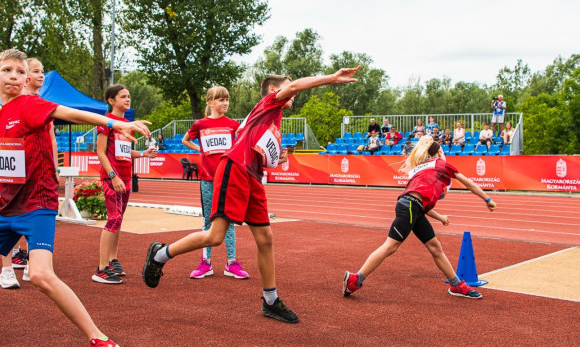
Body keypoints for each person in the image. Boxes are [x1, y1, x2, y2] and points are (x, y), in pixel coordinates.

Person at [0, 49, 150, 347]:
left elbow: (73, 114)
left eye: (20, 72)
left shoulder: (31, 105)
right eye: (6, 70)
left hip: (38, 205)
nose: (14, 75)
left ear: (25, 80)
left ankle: (100, 340)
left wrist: (117, 123)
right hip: (6, 209)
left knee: (39, 274)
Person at [142, 66, 360, 324]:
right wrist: (331, 79)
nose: (294, 94)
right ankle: (159, 255)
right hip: (234, 168)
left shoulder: (274, 121)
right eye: (289, 88)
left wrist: (276, 158)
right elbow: (291, 88)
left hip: (253, 177)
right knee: (214, 236)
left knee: (265, 238)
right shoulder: (269, 103)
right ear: (273, 90)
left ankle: (270, 300)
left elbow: (267, 159)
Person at [343, 136, 497, 299]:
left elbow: (419, 203)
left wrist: (440, 217)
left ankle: (456, 284)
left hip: (411, 207)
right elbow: (469, 183)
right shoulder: (441, 164)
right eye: (443, 151)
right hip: (410, 207)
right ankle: (355, 279)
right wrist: (488, 199)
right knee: (390, 246)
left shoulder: (419, 169)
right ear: (438, 152)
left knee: (435, 247)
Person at [0, 57, 56, 290]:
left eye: (43, 71)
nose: (41, 75)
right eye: (36, 71)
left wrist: (54, 164)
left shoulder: (41, 102)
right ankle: (6, 269)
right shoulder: (13, 102)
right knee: (9, 219)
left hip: (39, 172)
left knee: (35, 217)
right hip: (15, 167)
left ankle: (32, 264)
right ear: (27, 77)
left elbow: (50, 138)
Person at [181, 86, 247, 280]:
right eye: (220, 100)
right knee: (208, 220)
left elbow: (241, 144)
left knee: (229, 220)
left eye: (227, 99)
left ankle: (232, 263)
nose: (225, 103)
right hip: (208, 179)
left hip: (227, 179)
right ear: (210, 102)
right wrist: (200, 150)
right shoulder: (200, 124)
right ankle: (206, 263)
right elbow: (186, 140)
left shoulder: (234, 125)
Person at [93, 83, 157, 284]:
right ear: (111, 101)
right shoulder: (106, 122)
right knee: (113, 219)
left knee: (118, 220)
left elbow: (123, 152)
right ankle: (101, 268)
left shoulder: (127, 123)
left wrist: (143, 154)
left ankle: (112, 260)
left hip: (126, 177)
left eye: (129, 96)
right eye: (123, 96)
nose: (128, 99)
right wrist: (113, 176)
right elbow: (101, 152)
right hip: (113, 178)